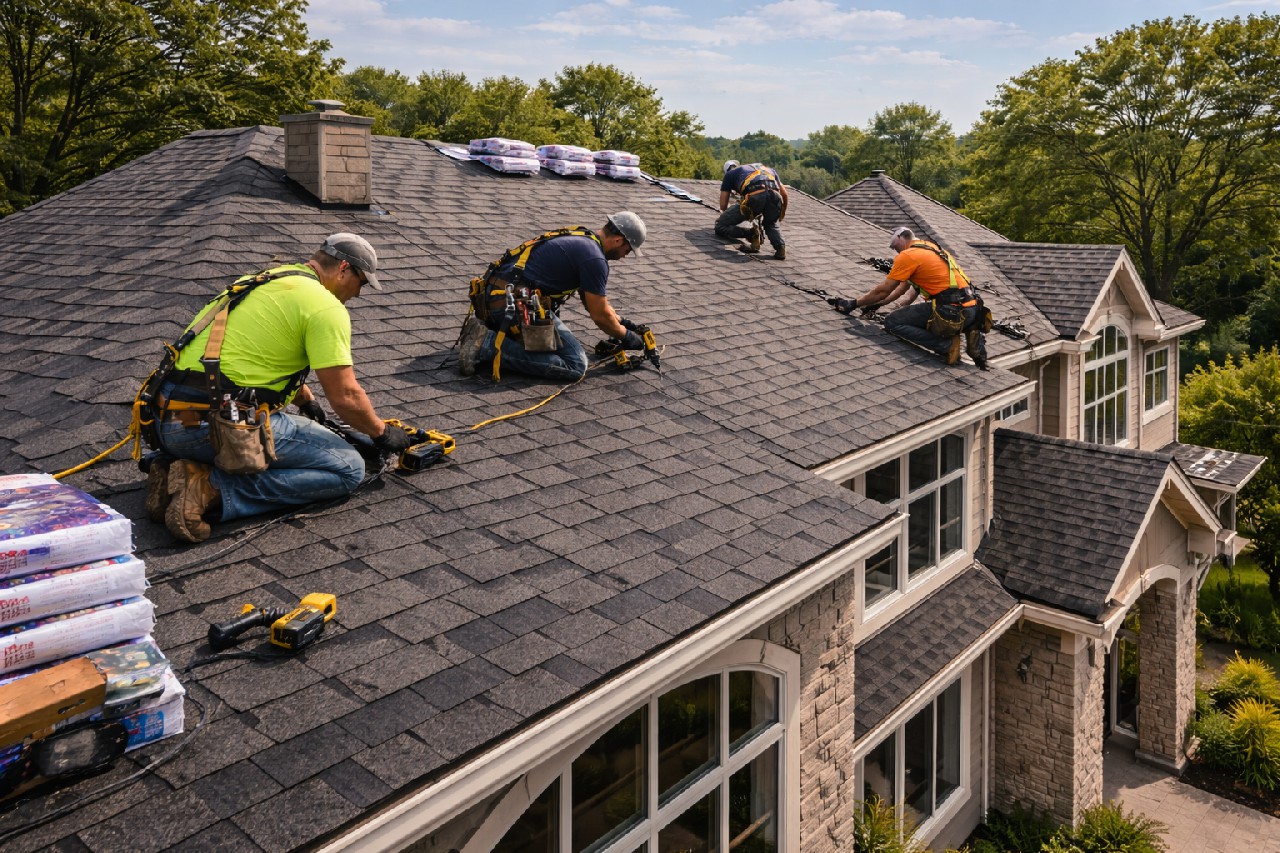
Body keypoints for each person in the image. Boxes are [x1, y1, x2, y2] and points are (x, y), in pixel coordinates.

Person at [145, 233, 413, 543]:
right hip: (212, 429)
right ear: (343, 268)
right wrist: (381, 433)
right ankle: (210, 488)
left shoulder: (266, 280)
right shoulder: (325, 307)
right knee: (348, 468)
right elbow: (346, 398)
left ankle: (173, 470)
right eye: (362, 283)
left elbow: (251, 358)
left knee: (289, 428)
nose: (358, 293)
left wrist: (306, 400)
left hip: (166, 421)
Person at [457, 212, 649, 381]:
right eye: (628, 250)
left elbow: (595, 303)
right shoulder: (595, 260)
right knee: (574, 364)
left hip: (498, 299)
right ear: (618, 240)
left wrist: (622, 322)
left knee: (549, 346)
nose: (625, 256)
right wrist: (628, 337)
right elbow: (600, 316)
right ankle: (485, 344)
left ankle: (492, 332)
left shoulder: (582, 238)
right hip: (511, 306)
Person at [830, 226, 988, 368]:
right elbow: (901, 290)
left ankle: (946, 345)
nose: (895, 251)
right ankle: (975, 347)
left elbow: (883, 291)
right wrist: (876, 305)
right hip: (972, 310)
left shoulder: (908, 255)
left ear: (900, 238)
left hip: (950, 311)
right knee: (910, 315)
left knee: (892, 322)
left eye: (894, 246)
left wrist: (854, 304)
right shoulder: (932, 248)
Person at [715, 160, 789, 260]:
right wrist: (782, 212)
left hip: (754, 197)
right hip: (775, 196)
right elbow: (784, 193)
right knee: (771, 223)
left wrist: (733, 214)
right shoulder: (766, 169)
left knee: (720, 226)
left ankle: (751, 233)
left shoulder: (729, 175)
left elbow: (723, 206)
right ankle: (780, 249)